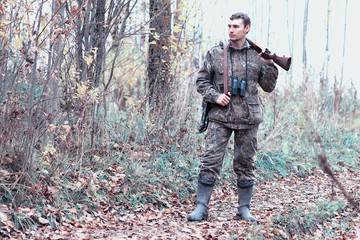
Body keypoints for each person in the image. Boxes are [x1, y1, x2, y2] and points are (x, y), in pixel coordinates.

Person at [188, 12, 278, 222]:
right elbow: (202, 82)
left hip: (248, 117)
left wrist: (269, 64)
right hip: (221, 116)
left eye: (236, 26)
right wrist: (216, 96)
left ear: (247, 28)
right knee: (210, 160)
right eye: (229, 26)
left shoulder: (258, 55)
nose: (231, 30)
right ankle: (201, 208)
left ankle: (243, 209)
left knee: (245, 163)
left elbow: (268, 87)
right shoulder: (216, 53)